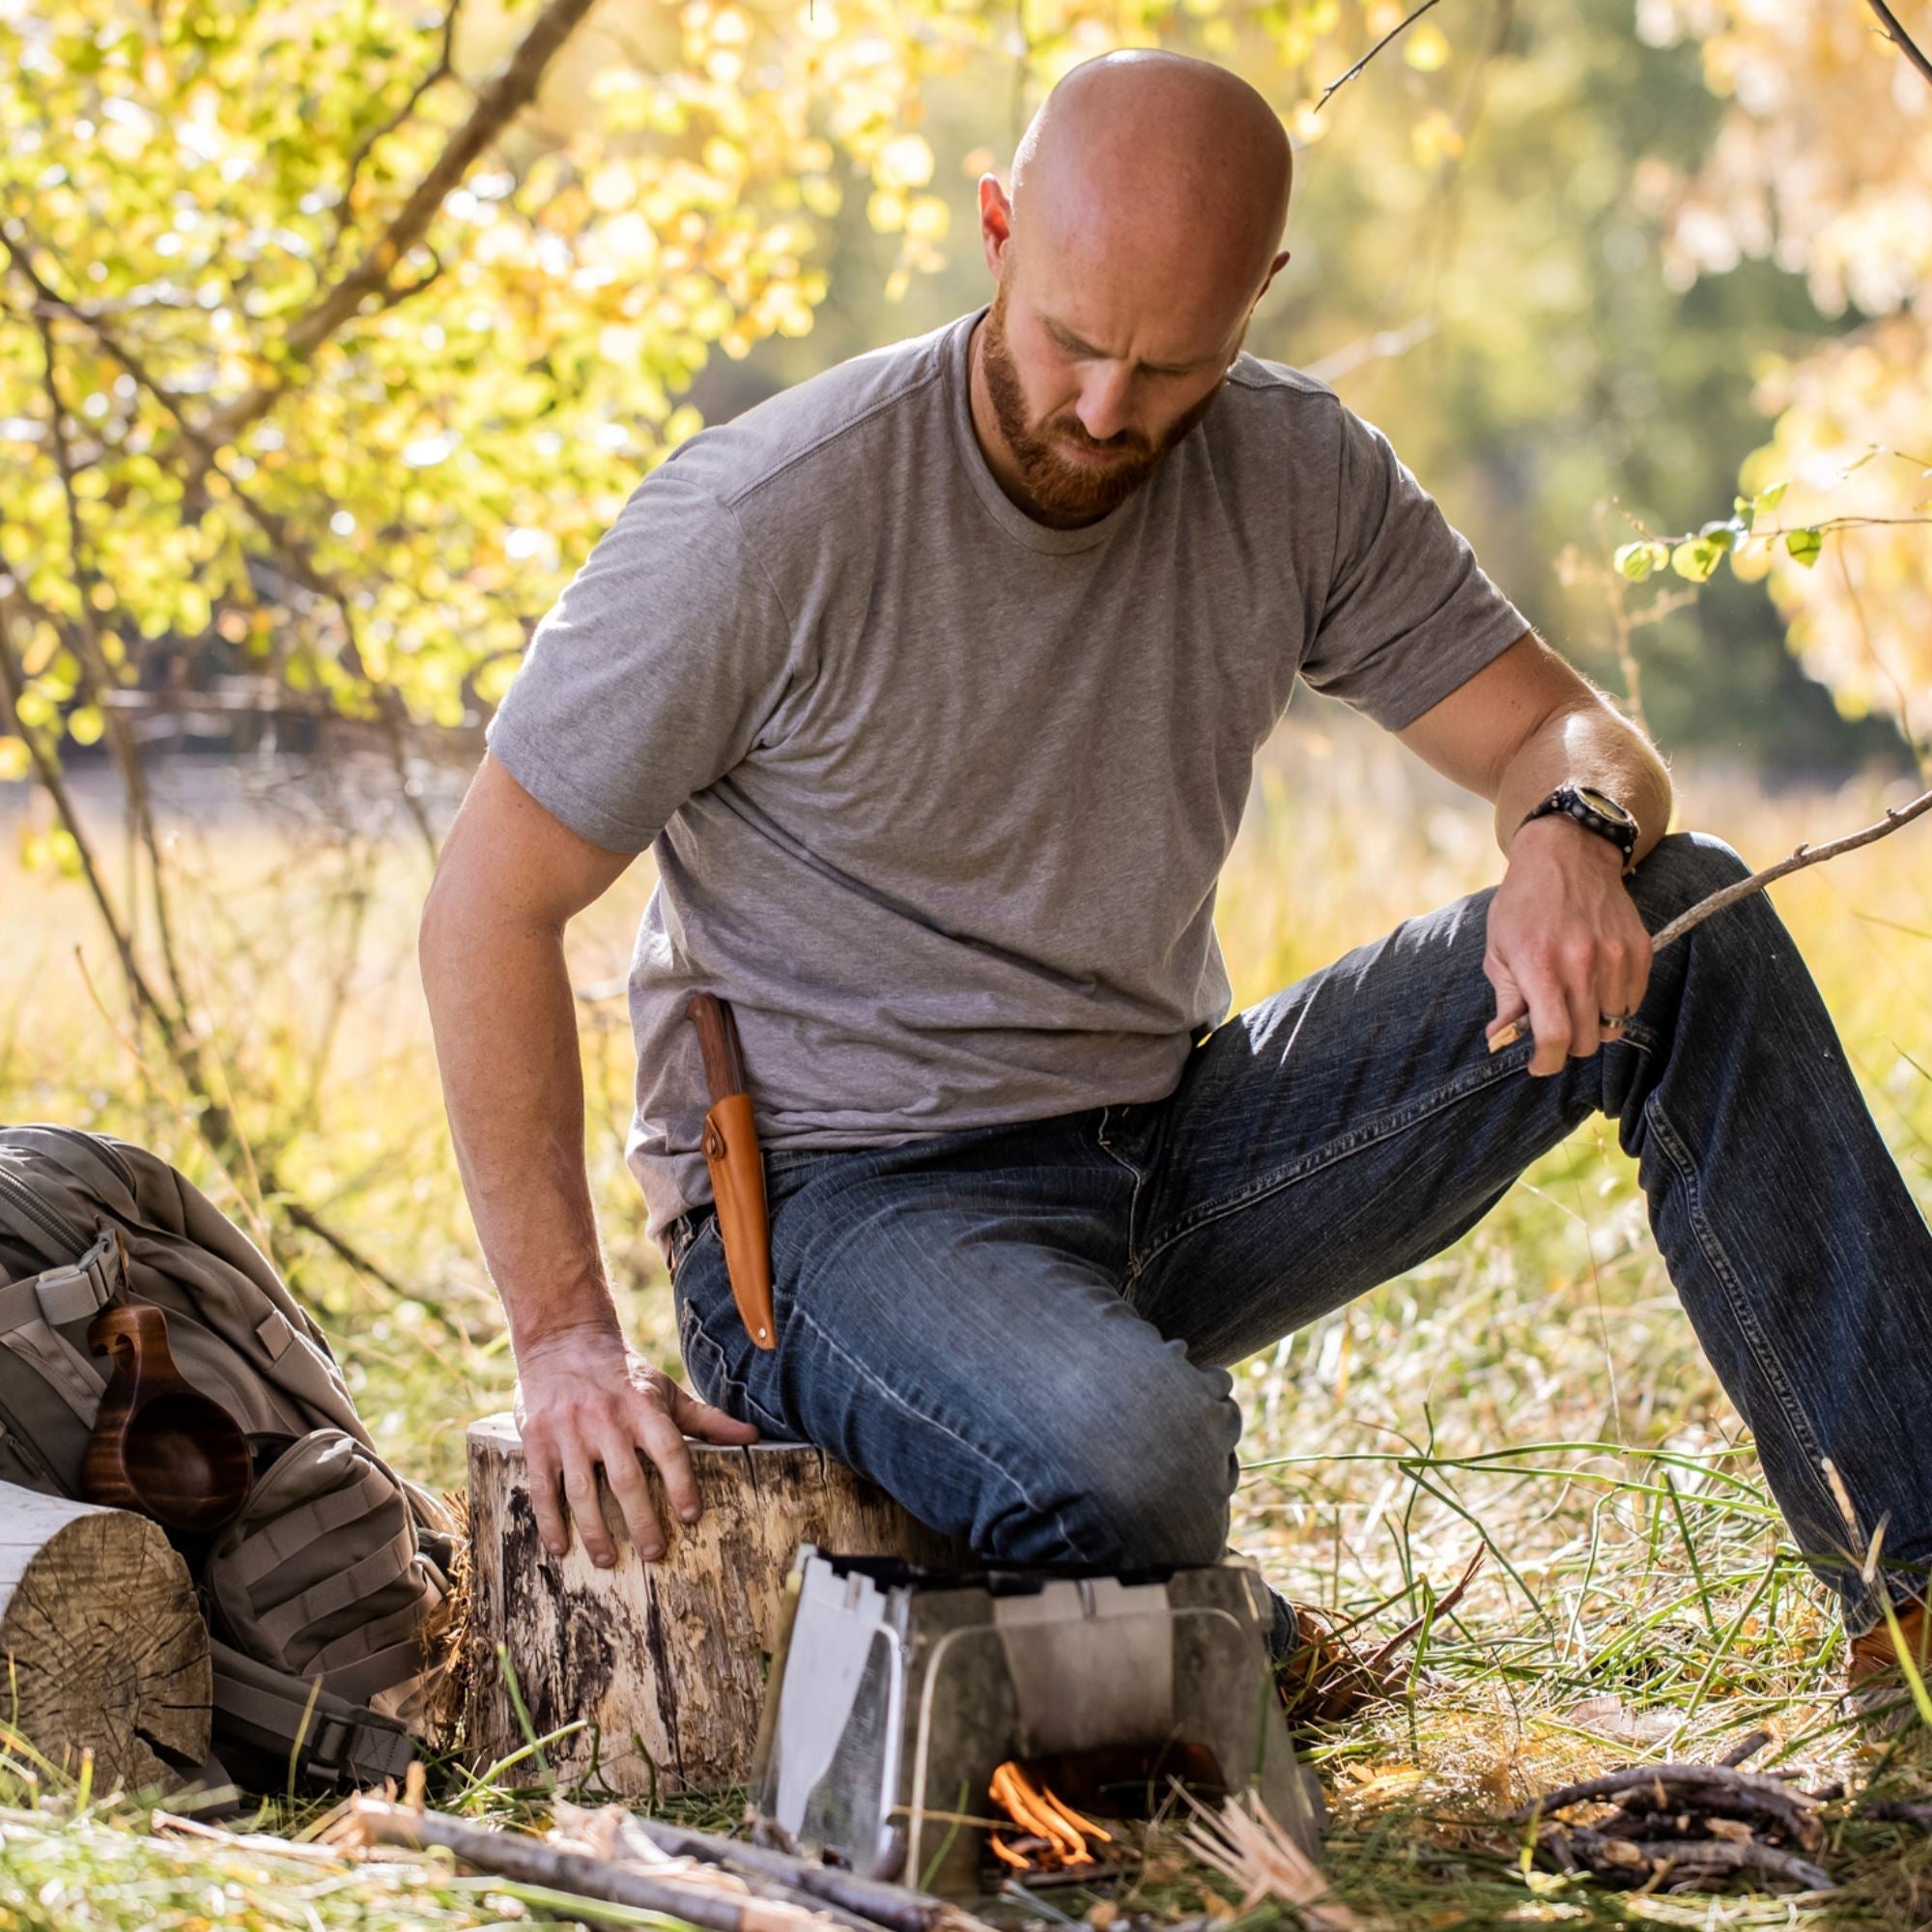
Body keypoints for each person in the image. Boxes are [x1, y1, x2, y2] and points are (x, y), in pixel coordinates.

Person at [419, 50, 1932, 1709]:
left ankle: (1917, 1597)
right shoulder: (763, 522)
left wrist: (1571, 829)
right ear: (996, 228)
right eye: (1071, 340)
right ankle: (1214, 1621)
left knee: (1684, 909)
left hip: (1169, 1152)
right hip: (837, 1221)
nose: (1102, 410)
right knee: (1135, 1459)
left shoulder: (1298, 473)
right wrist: (563, 1336)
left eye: (1171, 365)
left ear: (1258, 297)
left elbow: (1572, 728)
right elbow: (486, 901)